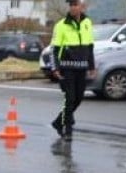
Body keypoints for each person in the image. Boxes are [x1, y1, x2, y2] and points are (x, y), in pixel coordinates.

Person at [50, 0, 94, 141]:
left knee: (79, 98)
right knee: (69, 99)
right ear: (69, 7)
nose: (74, 8)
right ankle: (68, 129)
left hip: (82, 67)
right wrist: (55, 67)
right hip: (67, 68)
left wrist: (91, 66)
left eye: (77, 5)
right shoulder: (61, 25)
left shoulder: (87, 23)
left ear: (82, 7)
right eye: (72, 5)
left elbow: (90, 46)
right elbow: (54, 49)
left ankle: (58, 122)